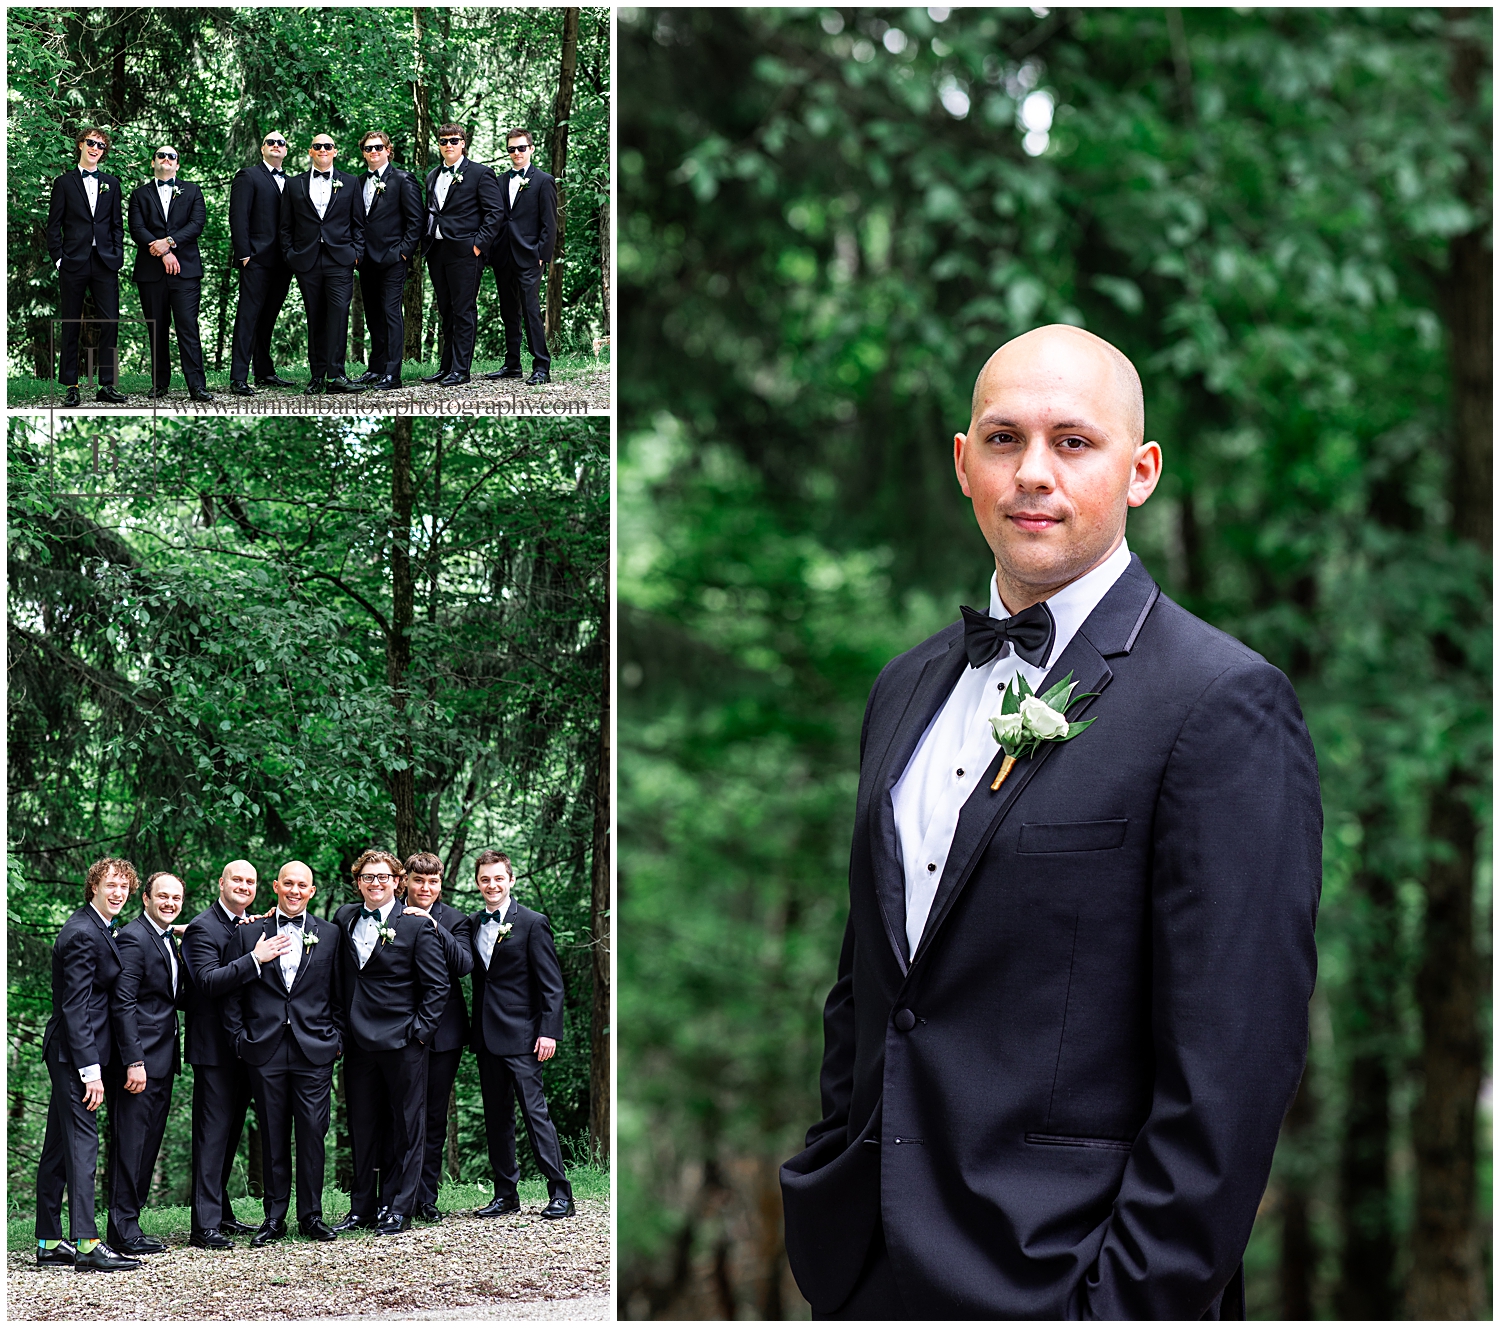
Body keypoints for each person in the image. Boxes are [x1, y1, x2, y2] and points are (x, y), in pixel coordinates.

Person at [780, 324, 1322, 1320]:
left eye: (1073, 441)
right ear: (963, 462)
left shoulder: (1222, 704)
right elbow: (872, 988)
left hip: (1070, 1281)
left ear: (1141, 470)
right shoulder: (904, 688)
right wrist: (831, 1190)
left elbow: (1231, 1074)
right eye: (1003, 439)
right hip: (872, 1275)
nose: (1033, 471)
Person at [221, 861, 342, 1245]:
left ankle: (311, 1216)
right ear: (275, 886)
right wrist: (240, 1039)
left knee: (312, 1132)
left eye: (301, 885)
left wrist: (336, 1038)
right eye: (287, 883)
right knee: (273, 1135)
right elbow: (233, 994)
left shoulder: (331, 935)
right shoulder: (249, 933)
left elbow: (341, 992)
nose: (294, 890)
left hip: (315, 1049)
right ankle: (274, 1218)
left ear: (311, 891)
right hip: (265, 1048)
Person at [331, 849, 449, 1235]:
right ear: (358, 882)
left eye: (383, 877)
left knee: (407, 1127)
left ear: (397, 881)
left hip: (404, 1043)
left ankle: (400, 1208)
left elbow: (438, 987)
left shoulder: (416, 925)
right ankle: (362, 1208)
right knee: (362, 1127)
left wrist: (419, 1035)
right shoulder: (344, 918)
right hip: (359, 1043)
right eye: (368, 877)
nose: (376, 883)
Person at [35, 857, 142, 1271]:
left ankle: (47, 1242)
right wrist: (90, 1070)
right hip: (75, 1054)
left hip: (70, 1052)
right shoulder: (82, 932)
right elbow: (75, 1008)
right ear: (93, 886)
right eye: (111, 885)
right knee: (82, 1144)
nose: (118, 893)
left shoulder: (95, 926)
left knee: (58, 1147)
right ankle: (85, 1242)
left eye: (124, 887)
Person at [180, 858, 289, 1248]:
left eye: (250, 881)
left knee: (229, 1137)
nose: (244, 885)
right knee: (211, 1137)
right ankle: (203, 1226)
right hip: (213, 1050)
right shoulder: (201, 928)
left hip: (245, 1046)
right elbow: (207, 982)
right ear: (220, 883)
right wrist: (255, 958)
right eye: (236, 880)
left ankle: (221, 1214)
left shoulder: (246, 925)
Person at [468, 849, 573, 1219]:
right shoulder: (472, 923)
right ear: (477, 883)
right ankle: (506, 1194)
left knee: (535, 1114)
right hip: (485, 1036)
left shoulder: (531, 922)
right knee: (497, 1117)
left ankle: (561, 1193)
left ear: (511, 880)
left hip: (525, 1037)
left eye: (498, 878)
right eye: (485, 879)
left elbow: (552, 985)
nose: (492, 885)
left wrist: (549, 1032)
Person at [106, 871, 186, 1257]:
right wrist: (133, 1061)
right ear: (146, 900)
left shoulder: (166, 938)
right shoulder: (135, 939)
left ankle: (130, 1221)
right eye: (163, 897)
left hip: (164, 1059)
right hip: (138, 1063)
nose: (170, 903)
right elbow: (122, 1004)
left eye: (176, 898)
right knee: (131, 1144)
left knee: (148, 1144)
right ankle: (122, 1228)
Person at [394, 852, 474, 1221]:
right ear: (405, 881)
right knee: (400, 1114)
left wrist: (432, 924)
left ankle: (426, 1197)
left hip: (444, 1034)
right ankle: (394, 1196)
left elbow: (463, 965)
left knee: (433, 1117)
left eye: (433, 882)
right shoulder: (389, 915)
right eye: (419, 881)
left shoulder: (455, 920)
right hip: (398, 1030)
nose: (426, 888)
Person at [45, 126, 127, 407]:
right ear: (81, 144)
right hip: (73, 262)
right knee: (71, 322)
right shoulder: (64, 183)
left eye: (101, 145)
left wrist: (117, 256)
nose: (95, 148)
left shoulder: (112, 184)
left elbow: (117, 224)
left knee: (111, 321)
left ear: (104, 152)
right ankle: (71, 385)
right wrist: (59, 259)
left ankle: (106, 385)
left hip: (105, 262)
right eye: (91, 143)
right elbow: (53, 226)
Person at [279, 132, 366, 395]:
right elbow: (285, 226)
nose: (323, 150)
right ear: (310, 151)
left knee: (339, 315)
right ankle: (317, 376)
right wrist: (290, 255)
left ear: (335, 151)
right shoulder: (293, 185)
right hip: (306, 260)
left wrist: (355, 253)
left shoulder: (350, 182)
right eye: (318, 146)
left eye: (328, 146)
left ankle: (337, 375)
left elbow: (358, 223)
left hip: (340, 259)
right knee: (315, 316)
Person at [420, 123, 503, 387]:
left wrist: (478, 245)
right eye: (443, 141)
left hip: (466, 252)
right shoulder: (433, 175)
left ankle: (461, 370)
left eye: (453, 140)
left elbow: (495, 213)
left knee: (463, 309)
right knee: (446, 310)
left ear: (463, 143)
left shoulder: (480, 173)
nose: (448, 145)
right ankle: (446, 367)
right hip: (437, 250)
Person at [126, 146, 211, 402]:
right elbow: (136, 227)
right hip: (151, 271)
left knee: (188, 327)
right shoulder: (139, 194)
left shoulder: (193, 191)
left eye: (171, 157)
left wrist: (170, 242)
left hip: (186, 272)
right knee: (157, 329)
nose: (166, 159)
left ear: (177, 165)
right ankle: (159, 383)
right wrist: (163, 252)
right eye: (161, 156)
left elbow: (197, 224)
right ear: (153, 162)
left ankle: (197, 385)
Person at [482, 128, 556, 386]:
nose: (516, 153)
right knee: (508, 311)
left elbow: (550, 223)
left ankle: (541, 367)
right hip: (503, 256)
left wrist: (541, 255)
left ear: (531, 149)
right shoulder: (500, 181)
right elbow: (494, 219)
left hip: (529, 256)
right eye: (511, 149)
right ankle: (512, 364)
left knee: (531, 310)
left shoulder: (544, 180)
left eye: (521, 148)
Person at [227, 130, 297, 396]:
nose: (276, 145)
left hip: (284, 262)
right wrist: (244, 253)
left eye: (281, 142)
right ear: (263, 149)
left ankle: (265, 372)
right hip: (255, 258)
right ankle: (238, 377)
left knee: (268, 317)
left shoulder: (291, 182)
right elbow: (238, 216)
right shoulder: (248, 176)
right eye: (271, 142)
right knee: (248, 316)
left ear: (286, 150)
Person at [353, 131, 423, 390]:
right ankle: (376, 368)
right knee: (373, 316)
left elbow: (416, 221)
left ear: (388, 150)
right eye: (369, 148)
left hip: (393, 259)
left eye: (379, 147)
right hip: (366, 261)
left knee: (391, 312)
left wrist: (403, 252)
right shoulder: (358, 182)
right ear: (363, 152)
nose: (374, 152)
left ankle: (393, 373)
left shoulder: (403, 179)